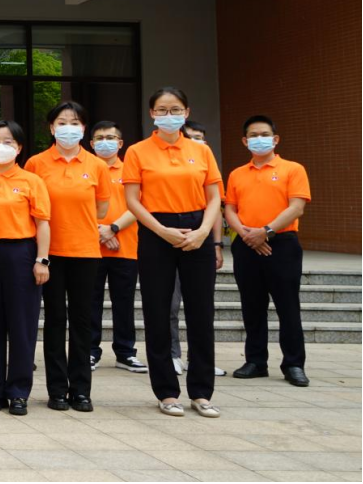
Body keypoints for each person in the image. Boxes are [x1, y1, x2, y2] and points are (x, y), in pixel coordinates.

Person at [124, 87, 224, 418]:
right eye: (162, 110)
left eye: (176, 109)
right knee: (157, 313)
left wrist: (203, 232)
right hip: (156, 232)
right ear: (152, 113)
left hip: (197, 230)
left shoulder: (201, 150)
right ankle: (166, 391)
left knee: (201, 313)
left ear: (186, 111)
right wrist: (162, 231)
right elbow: (132, 200)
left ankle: (202, 392)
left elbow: (214, 197)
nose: (170, 115)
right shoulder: (138, 151)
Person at [25, 101, 111, 413]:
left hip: (85, 252)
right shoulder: (36, 163)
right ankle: (57, 390)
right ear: (51, 128)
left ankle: (81, 390)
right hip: (49, 254)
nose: (68, 128)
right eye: (62, 122)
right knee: (55, 321)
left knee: (82, 322)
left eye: (75, 122)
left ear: (84, 128)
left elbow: (101, 208)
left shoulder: (97, 165)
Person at [0, 120, 51, 416]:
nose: (0, 147)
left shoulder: (32, 181)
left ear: (19, 148)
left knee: (22, 325)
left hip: (21, 253)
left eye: (8, 142)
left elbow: (43, 223)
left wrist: (42, 260)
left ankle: (18, 392)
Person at [223, 115, 311, 387]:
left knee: (288, 305)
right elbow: (229, 209)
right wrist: (248, 235)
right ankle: (255, 361)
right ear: (244, 141)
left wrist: (267, 231)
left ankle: (293, 364)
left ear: (275, 139)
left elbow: (297, 207)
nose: (258, 139)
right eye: (253, 135)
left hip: (282, 244)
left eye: (264, 134)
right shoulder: (237, 174)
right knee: (252, 305)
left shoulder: (293, 169)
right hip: (246, 244)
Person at [87, 121, 146, 374]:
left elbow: (139, 204)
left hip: (126, 246)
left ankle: (125, 352)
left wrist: (113, 228)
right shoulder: (86, 169)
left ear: (120, 143)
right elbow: (75, 204)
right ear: (91, 144)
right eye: (99, 138)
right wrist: (99, 230)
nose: (105, 142)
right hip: (90, 246)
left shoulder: (131, 169)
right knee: (90, 302)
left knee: (124, 302)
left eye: (110, 138)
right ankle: (90, 350)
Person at [170, 120, 226, 378]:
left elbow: (216, 208)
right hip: (171, 238)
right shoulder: (170, 168)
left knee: (202, 306)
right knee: (170, 304)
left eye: (199, 137)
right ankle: (173, 355)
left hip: (201, 240)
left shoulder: (205, 164)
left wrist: (216, 244)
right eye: (190, 136)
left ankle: (200, 359)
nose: (195, 141)